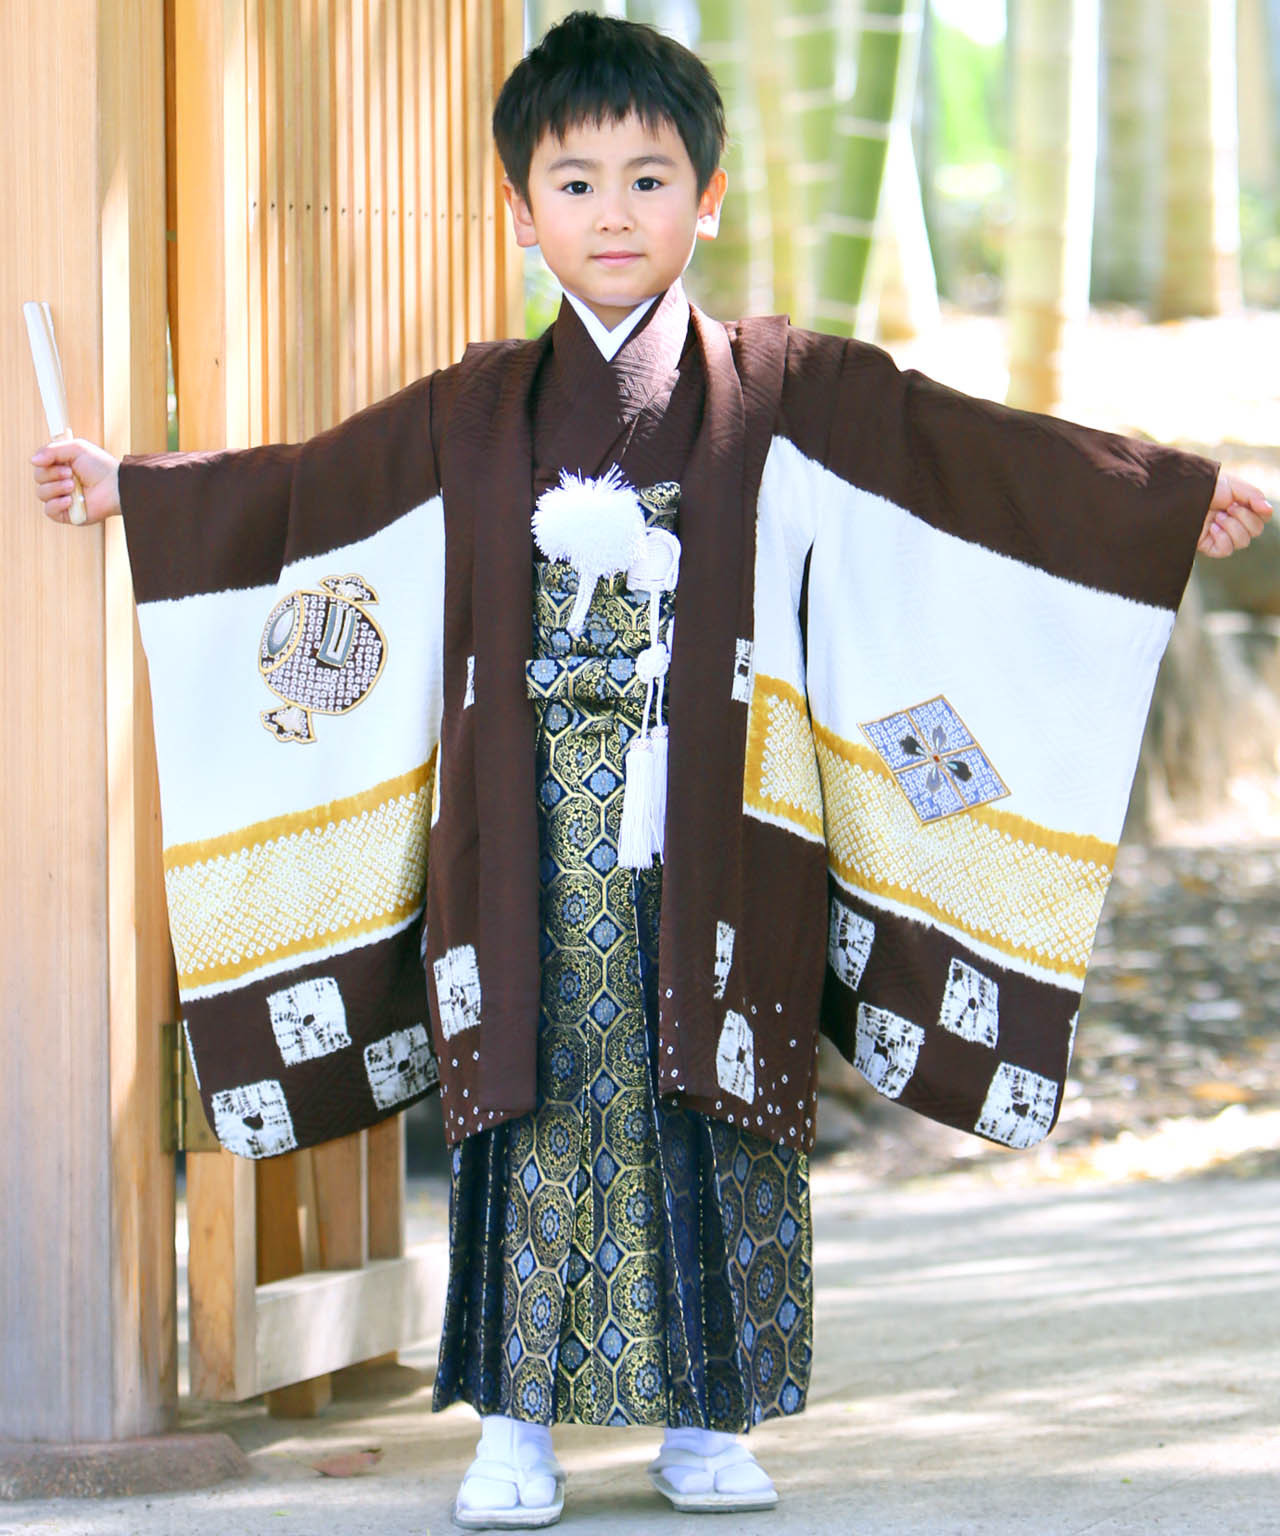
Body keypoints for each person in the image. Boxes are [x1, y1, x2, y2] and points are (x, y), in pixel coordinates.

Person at [30, 12, 1270, 1530]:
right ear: (519, 208)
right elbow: (310, 491)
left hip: (722, 823)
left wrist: (1154, 499)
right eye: (575, 182)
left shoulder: (786, 384)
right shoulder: (475, 407)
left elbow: (963, 456)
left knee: (721, 1090)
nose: (613, 214)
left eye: (646, 178)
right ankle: (520, 1429)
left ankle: (712, 1417)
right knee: (531, 1089)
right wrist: (136, 490)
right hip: (526, 825)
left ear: (711, 196)